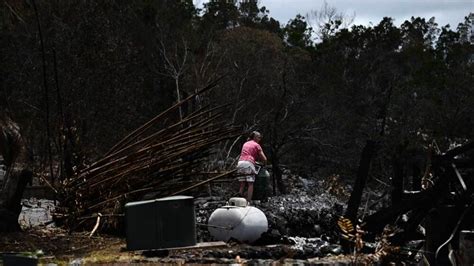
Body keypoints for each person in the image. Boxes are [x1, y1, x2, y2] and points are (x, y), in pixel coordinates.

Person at [236, 131, 267, 202]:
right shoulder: (256, 145)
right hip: (248, 163)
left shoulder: (245, 143)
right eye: (259, 137)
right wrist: (264, 164)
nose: (260, 139)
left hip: (240, 163)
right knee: (250, 184)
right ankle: (248, 202)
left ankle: (239, 202)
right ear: (255, 137)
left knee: (242, 183)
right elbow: (264, 158)